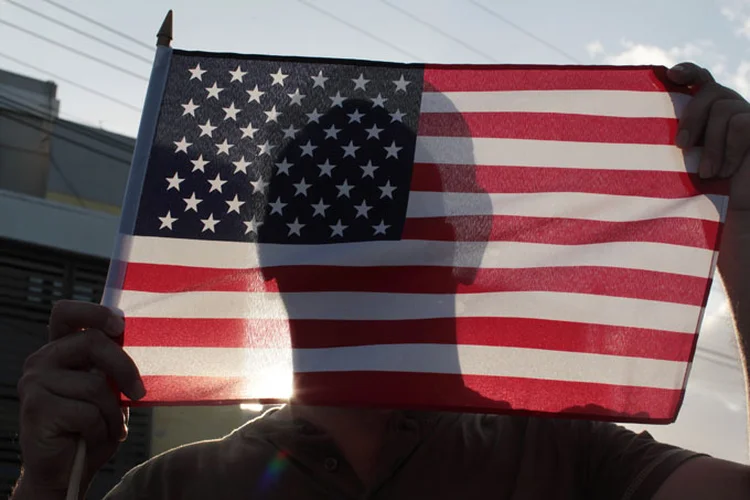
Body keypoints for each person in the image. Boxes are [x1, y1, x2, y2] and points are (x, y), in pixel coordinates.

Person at [11, 62, 750, 499]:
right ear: (268, 258)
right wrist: (45, 486)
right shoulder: (175, 490)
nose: (369, 253)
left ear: (467, 249)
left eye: (409, 227)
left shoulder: (569, 460)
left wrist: (743, 219)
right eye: (323, 216)